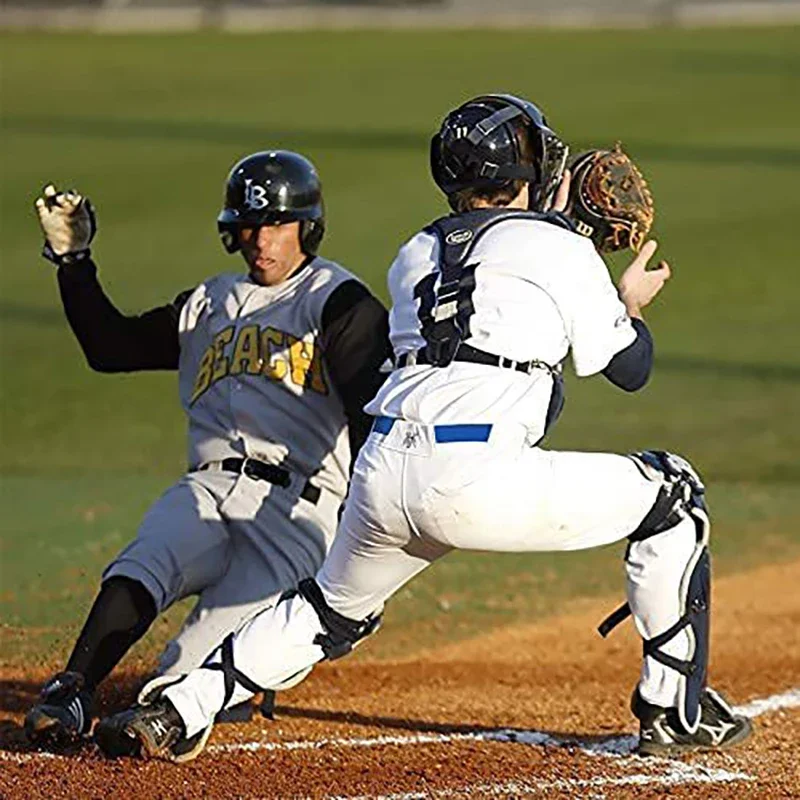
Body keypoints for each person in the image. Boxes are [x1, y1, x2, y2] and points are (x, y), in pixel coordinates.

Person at [94, 95, 752, 762]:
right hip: (478, 476)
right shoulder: (560, 247)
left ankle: (178, 707)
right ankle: (673, 710)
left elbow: (496, 324)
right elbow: (631, 369)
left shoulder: (414, 253)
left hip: (382, 469)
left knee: (328, 610)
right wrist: (626, 303)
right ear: (526, 165)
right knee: (674, 494)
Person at [24, 150, 391, 748]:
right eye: (249, 227)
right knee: (151, 556)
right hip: (210, 489)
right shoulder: (207, 303)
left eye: (276, 224)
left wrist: (364, 536)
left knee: (183, 682)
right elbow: (109, 347)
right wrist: (73, 263)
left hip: (296, 515)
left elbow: (371, 410)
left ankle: (173, 708)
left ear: (306, 226)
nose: (261, 241)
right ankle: (72, 689)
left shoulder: (337, 300)